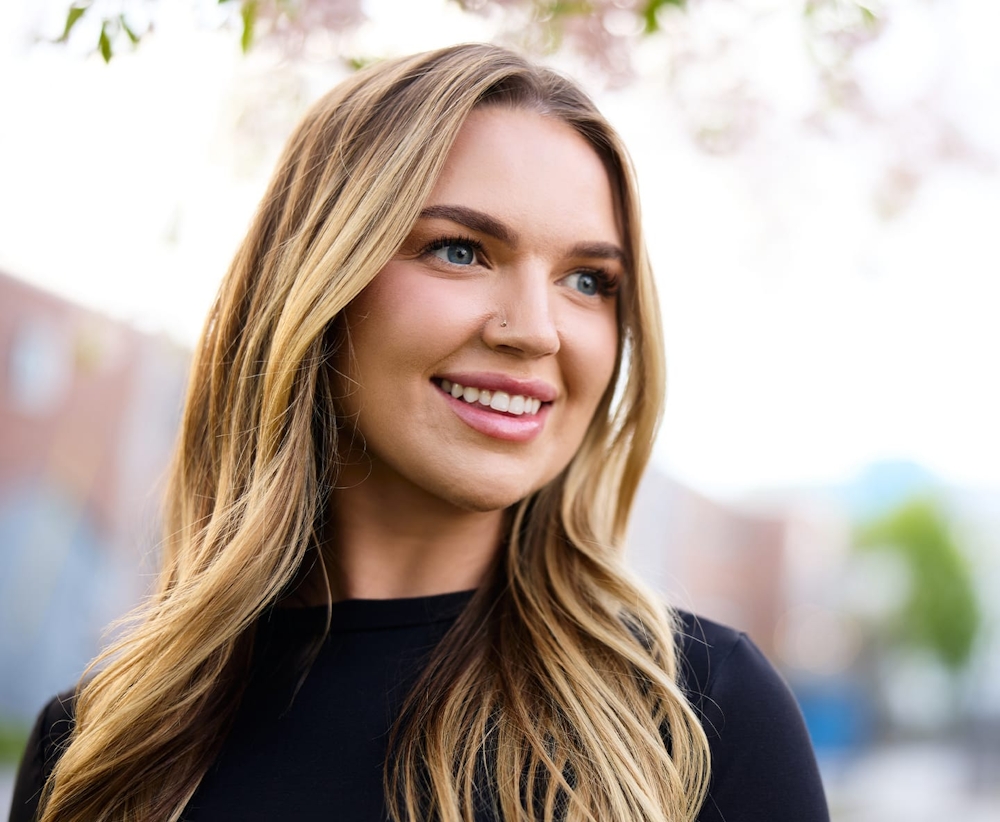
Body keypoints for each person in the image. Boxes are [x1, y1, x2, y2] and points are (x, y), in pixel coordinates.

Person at [9, 43, 828, 822]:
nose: (537, 331)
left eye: (587, 280)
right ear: (318, 282)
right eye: (461, 250)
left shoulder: (701, 717)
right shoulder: (96, 746)